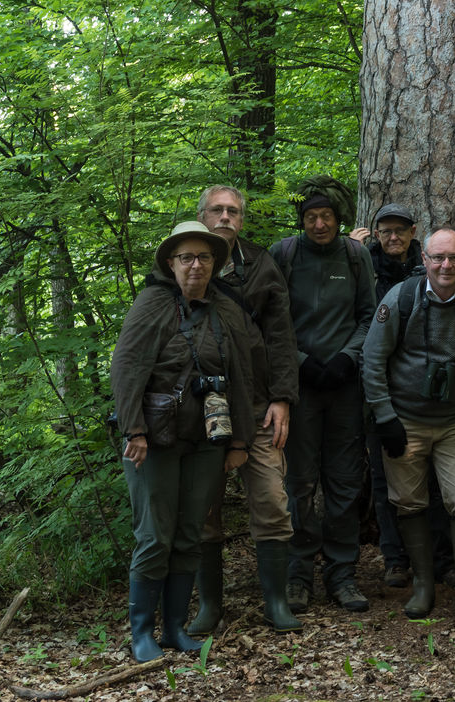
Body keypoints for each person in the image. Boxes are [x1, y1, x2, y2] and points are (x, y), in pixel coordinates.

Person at [111, 221, 257, 662]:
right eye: (186, 258)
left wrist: (241, 441)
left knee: (190, 534)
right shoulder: (152, 303)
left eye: (205, 257)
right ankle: (142, 633)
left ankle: (174, 627)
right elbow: (127, 368)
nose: (196, 265)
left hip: (208, 441)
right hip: (154, 441)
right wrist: (133, 429)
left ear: (215, 263)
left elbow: (242, 378)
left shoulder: (225, 309)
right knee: (155, 536)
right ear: (171, 263)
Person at [362, 229, 455, 624]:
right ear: (424, 258)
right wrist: (385, 416)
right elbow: (373, 360)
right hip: (403, 420)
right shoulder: (401, 299)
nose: (447, 266)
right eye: (439, 257)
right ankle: (423, 585)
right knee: (408, 502)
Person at [187, 186, 301, 635]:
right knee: (202, 509)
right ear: (202, 215)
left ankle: (276, 601)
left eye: (233, 211)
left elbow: (281, 336)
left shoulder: (260, 264)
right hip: (199, 412)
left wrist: (282, 398)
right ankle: (208, 607)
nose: (225, 217)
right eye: (217, 209)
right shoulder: (181, 260)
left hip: (257, 407)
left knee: (272, 500)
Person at [268, 176, 377, 614]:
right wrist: (301, 361)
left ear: (339, 219)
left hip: (345, 386)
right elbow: (271, 321)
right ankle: (298, 574)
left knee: (345, 481)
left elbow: (370, 315)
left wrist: (349, 358)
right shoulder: (284, 255)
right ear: (302, 220)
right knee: (299, 481)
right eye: (311, 216)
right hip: (300, 388)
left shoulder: (355, 256)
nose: (319, 224)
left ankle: (342, 573)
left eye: (326, 216)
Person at [352, 203, 454, 590]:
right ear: (375, 233)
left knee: (435, 481)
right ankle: (395, 559)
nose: (392, 238)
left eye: (400, 230)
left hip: (427, 392)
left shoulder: (430, 265)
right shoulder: (363, 265)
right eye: (384, 231)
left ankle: (441, 560)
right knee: (384, 480)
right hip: (377, 389)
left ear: (414, 231)